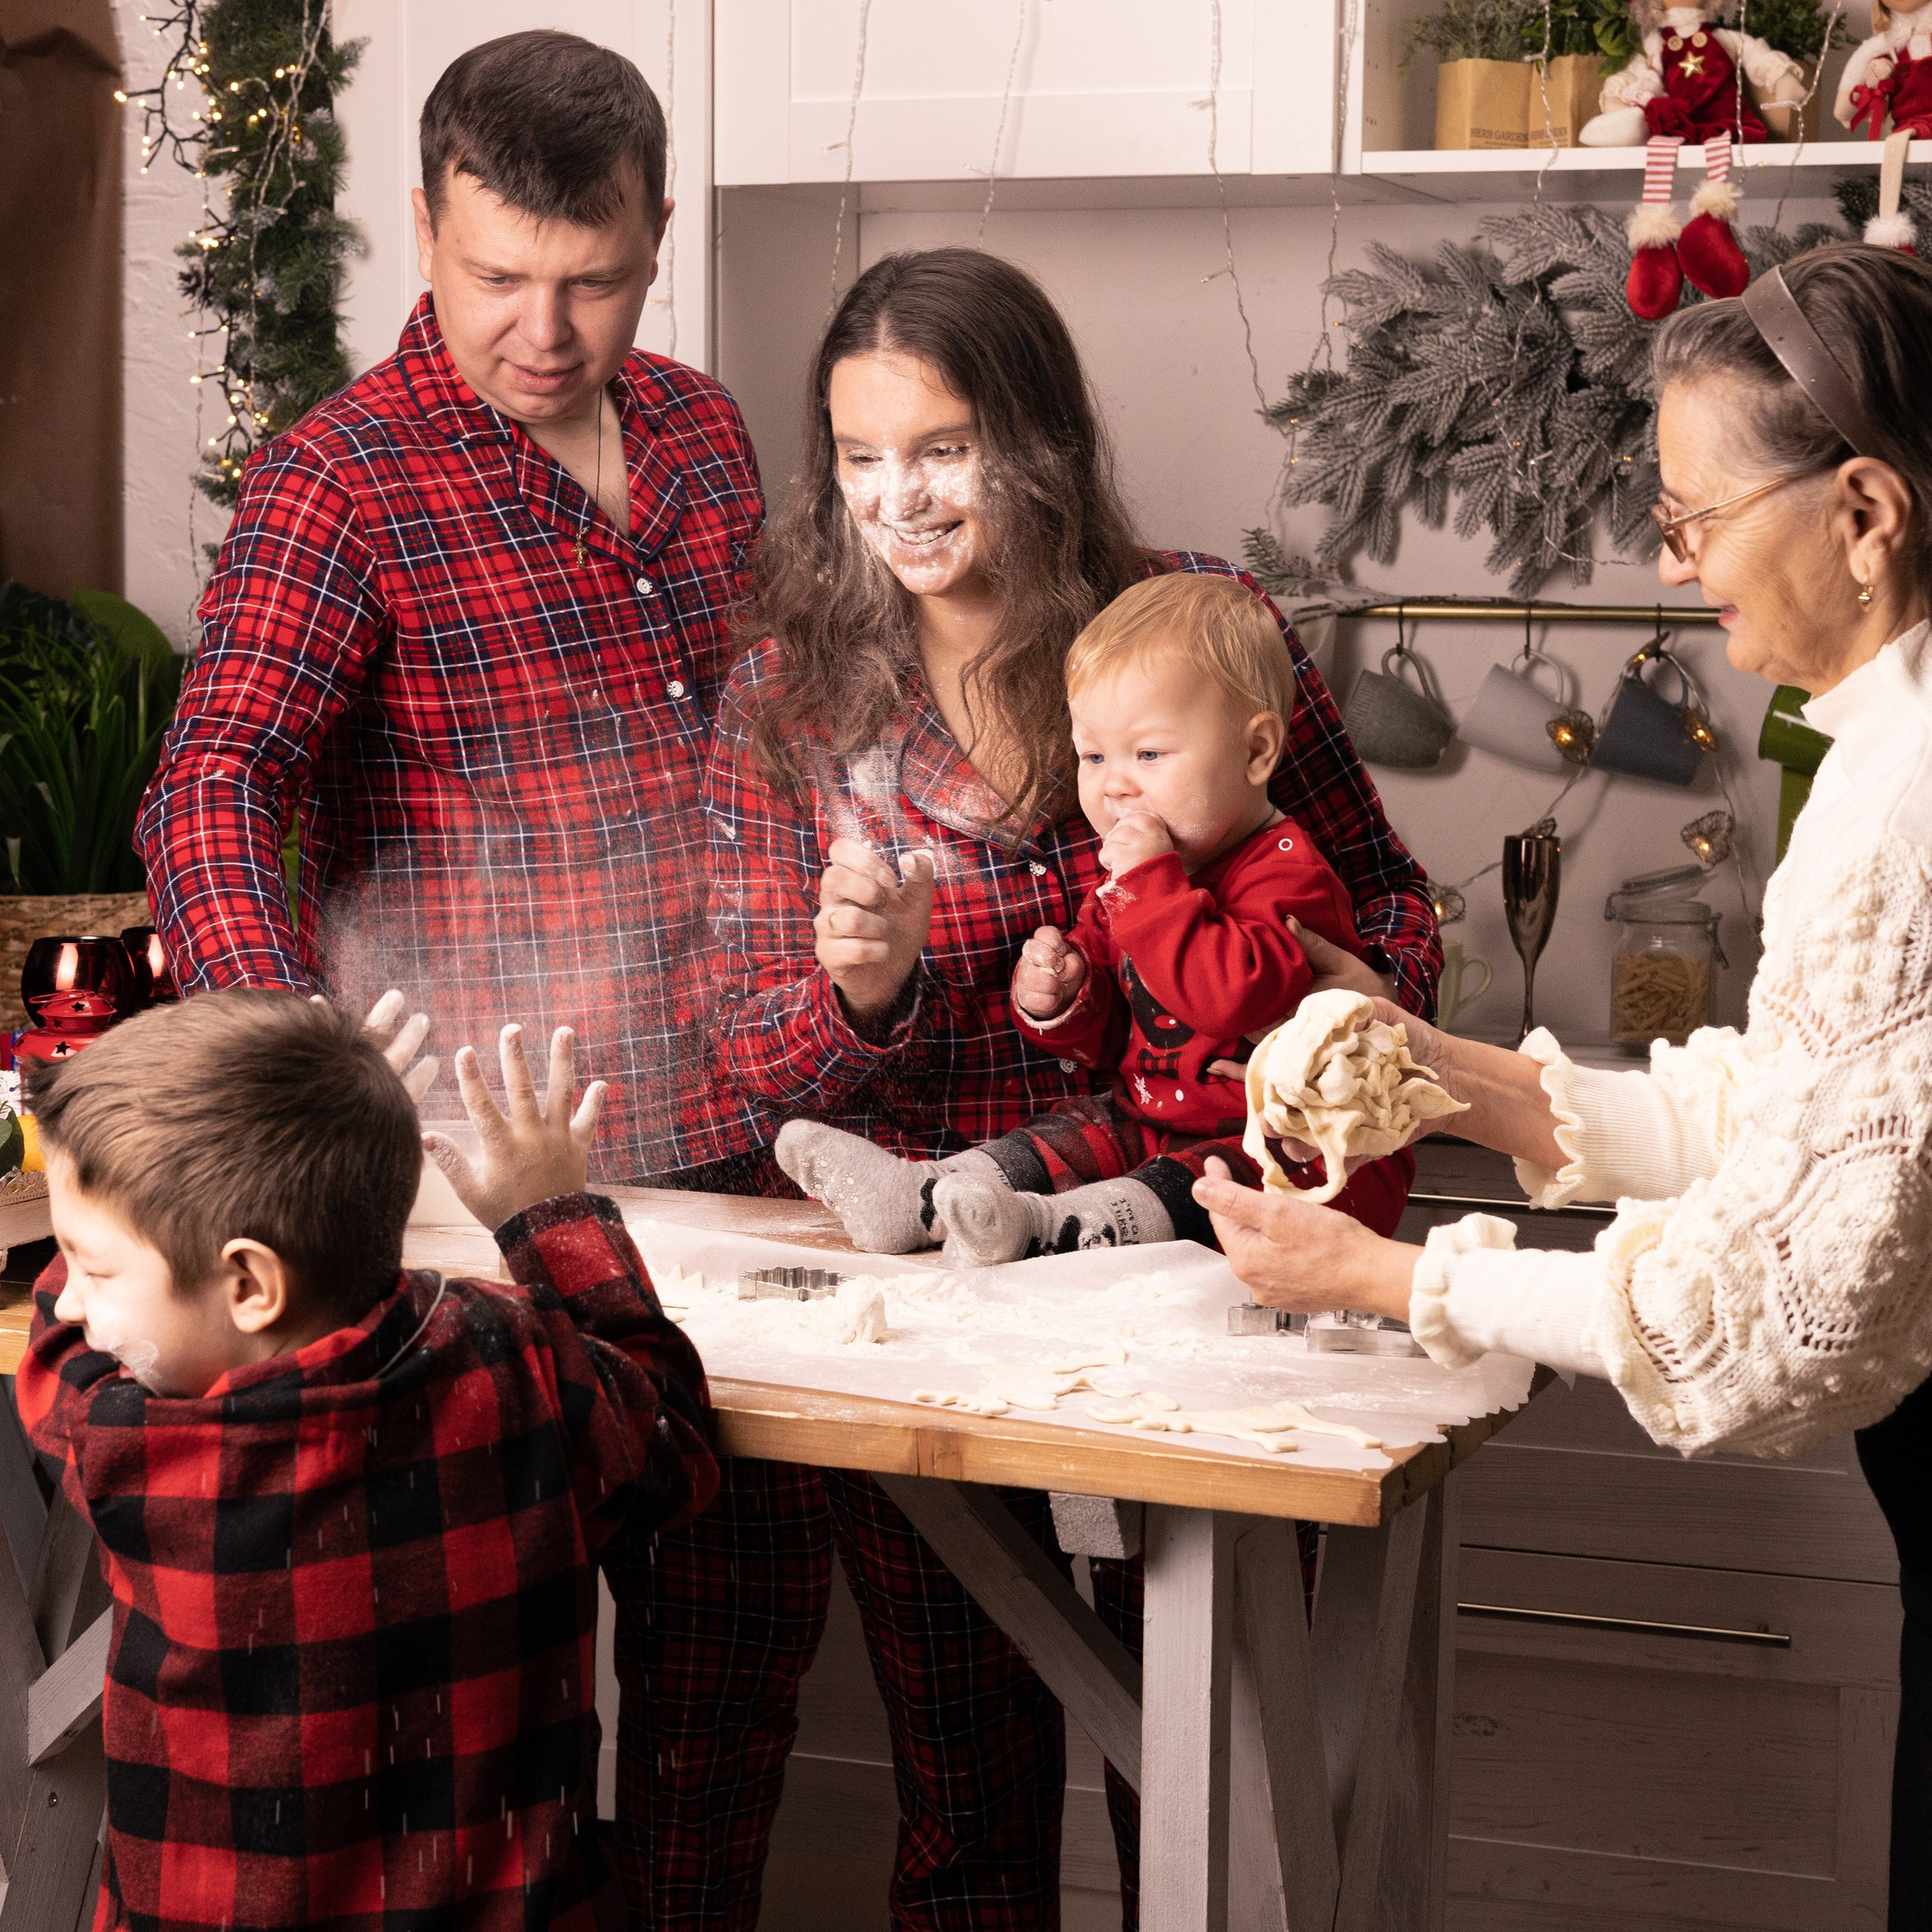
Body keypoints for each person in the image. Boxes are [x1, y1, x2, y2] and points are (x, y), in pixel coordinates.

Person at [601, 247, 1438, 1932]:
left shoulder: (1185, 624)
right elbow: (745, 1055)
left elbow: (1393, 904)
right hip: (940, 1295)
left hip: (1209, 1272)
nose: (896, 498)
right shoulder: (794, 684)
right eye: (857, 457)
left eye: (940, 446)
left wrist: (1335, 1013)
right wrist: (869, 987)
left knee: (1204, 1776)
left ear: (1034, 441)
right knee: (970, 1785)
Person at [1188, 242, 1932, 1930]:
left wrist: (1386, 1280)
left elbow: (1769, 1302)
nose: (1676, 573)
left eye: (1690, 523)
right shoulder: (1882, 741)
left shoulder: (1899, 804)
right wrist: (1455, 1078)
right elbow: (1801, 1121)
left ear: (1864, 513)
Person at [134, 29, 769, 1189]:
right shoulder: (336, 482)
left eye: (594, 281)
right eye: (497, 280)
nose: (545, 334)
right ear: (426, 232)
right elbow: (211, 784)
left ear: (658, 238)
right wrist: (292, 1060)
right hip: (489, 1169)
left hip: (754, 1116)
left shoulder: (706, 429)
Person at [14, 989, 715, 1928]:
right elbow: (674, 1434)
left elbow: (53, 1355)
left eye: (94, 1269)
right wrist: (549, 1212)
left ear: (251, 1283)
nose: (74, 1305)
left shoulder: (131, 1438)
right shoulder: (519, 1360)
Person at [778, 568, 1414, 1267]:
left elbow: (1228, 998)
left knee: (1198, 1186)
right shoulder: (1147, 875)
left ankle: (1047, 1229)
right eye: (1093, 756)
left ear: (1257, 751)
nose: (1114, 783)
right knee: (1069, 1132)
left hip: (1285, 1147)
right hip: (1151, 1113)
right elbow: (1111, 1037)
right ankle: (924, 1197)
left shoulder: (1286, 870)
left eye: (1148, 754)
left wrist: (1146, 884)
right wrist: (1061, 997)